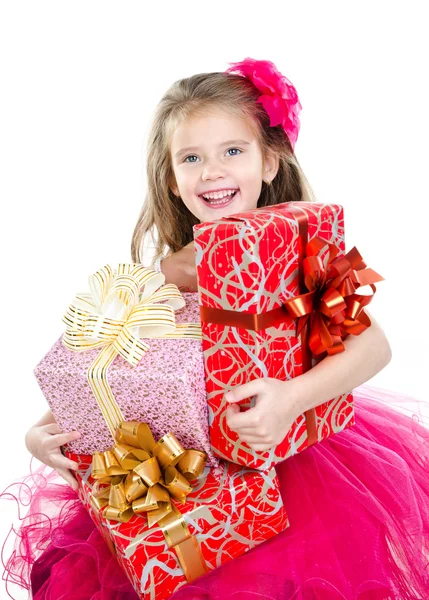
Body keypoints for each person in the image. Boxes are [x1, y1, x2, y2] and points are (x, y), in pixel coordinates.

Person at [2, 57, 429, 600]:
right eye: (191, 157)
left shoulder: (305, 251)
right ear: (173, 176)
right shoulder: (160, 275)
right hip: (191, 480)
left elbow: (374, 346)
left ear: (270, 161)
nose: (211, 170)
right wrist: (44, 430)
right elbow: (114, 369)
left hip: (292, 464)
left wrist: (291, 399)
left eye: (233, 151)